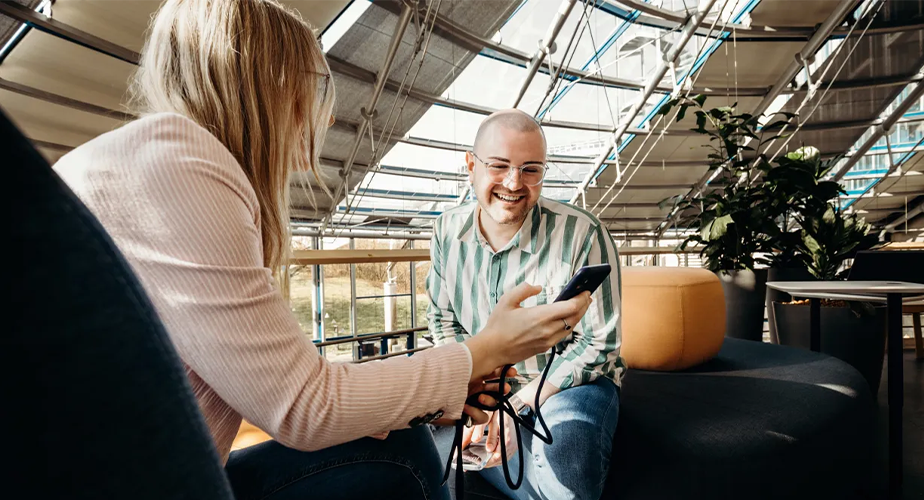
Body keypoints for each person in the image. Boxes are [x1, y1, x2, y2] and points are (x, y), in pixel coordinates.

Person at [51, 1, 594, 499]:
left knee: (402, 442)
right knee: (402, 457)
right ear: (268, 83)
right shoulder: (180, 164)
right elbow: (303, 406)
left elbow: (273, 380)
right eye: (315, 87)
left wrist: (441, 381)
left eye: (531, 169)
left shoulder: (143, 157)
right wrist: (486, 350)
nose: (327, 117)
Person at [429, 109, 625, 500]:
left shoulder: (583, 233)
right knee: (427, 441)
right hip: (484, 380)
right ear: (471, 166)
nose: (514, 183)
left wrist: (515, 405)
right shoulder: (446, 230)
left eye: (530, 169)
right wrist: (474, 392)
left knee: (565, 452)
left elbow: (599, 344)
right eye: (499, 165)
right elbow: (443, 320)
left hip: (567, 382)